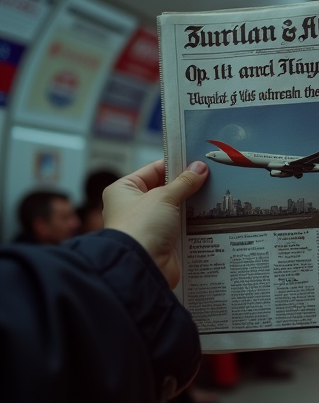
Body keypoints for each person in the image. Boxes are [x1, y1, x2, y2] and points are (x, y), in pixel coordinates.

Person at [0, 160, 209, 403]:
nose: (74, 223)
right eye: (65, 217)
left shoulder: (25, 277)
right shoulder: (35, 282)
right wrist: (131, 258)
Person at [13, 190, 81, 244]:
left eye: (73, 215)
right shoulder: (20, 259)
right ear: (41, 227)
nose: (76, 224)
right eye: (65, 218)